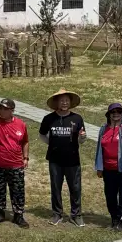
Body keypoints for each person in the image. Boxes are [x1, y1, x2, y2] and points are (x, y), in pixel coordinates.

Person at [39, 88, 87, 227]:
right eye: (61, 100)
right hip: (55, 160)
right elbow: (42, 135)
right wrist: (52, 144)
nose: (64, 103)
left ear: (70, 102)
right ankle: (57, 214)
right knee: (55, 187)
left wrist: (82, 138)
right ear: (57, 102)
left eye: (67, 100)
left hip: (72, 159)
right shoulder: (49, 119)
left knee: (75, 188)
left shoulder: (77, 118)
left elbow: (81, 139)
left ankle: (76, 215)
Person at [0, 98, 30, 228]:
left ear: (12, 110)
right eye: (0, 108)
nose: (1, 111)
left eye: (5, 109)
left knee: (17, 190)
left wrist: (26, 157)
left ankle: (18, 215)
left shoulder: (20, 124)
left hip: (16, 163)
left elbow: (25, 141)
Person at [95, 103, 122, 231]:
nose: (116, 114)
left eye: (119, 112)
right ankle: (114, 218)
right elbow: (99, 149)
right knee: (110, 196)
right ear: (109, 115)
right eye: (113, 112)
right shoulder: (103, 129)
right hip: (108, 170)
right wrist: (99, 167)